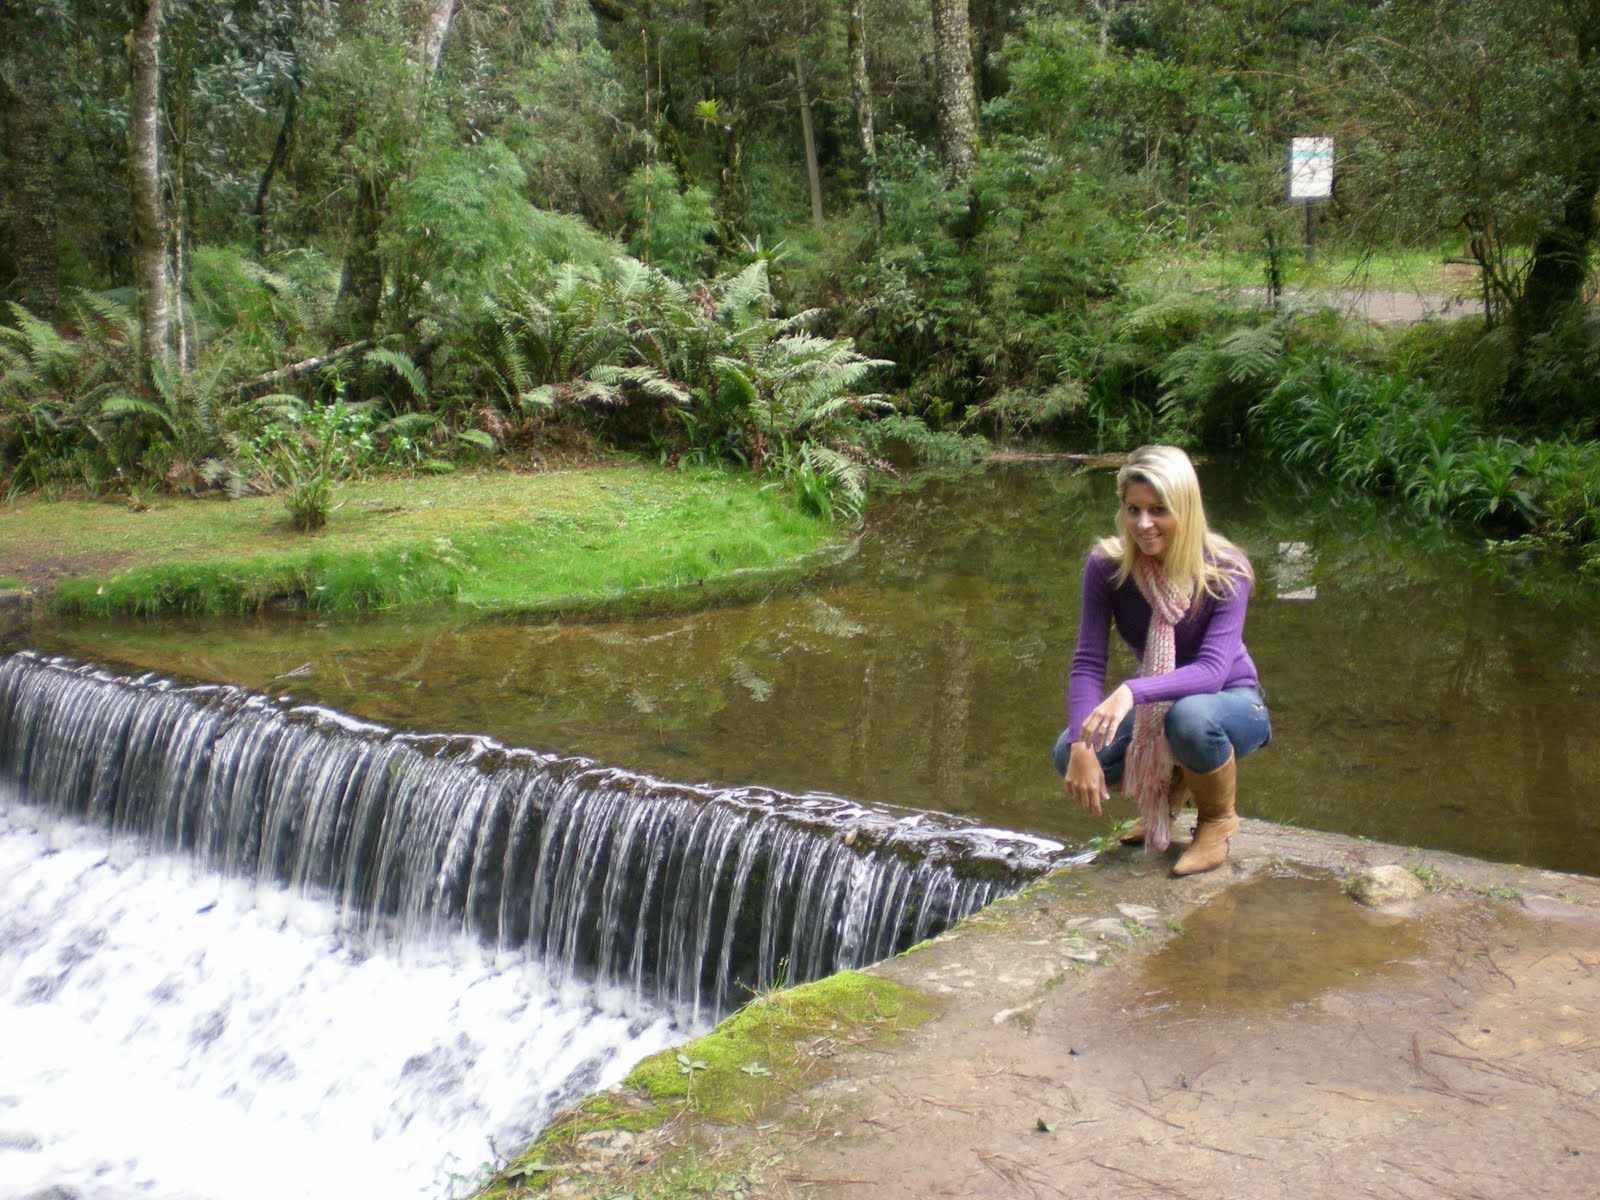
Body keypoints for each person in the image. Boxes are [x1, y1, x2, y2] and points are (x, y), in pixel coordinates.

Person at [1052, 445, 1271, 875]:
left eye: (1158, 510)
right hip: (1161, 704)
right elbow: (1087, 660)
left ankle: (1218, 820)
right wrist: (1082, 742)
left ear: (1185, 509)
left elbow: (1211, 672)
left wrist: (1131, 691)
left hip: (1232, 703)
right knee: (1067, 753)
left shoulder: (1226, 571)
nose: (1143, 524)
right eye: (1133, 510)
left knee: (1189, 718)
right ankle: (1170, 794)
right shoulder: (1108, 567)